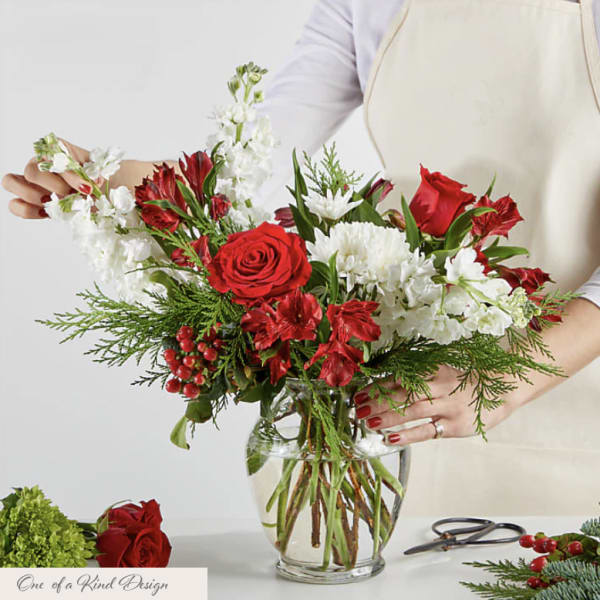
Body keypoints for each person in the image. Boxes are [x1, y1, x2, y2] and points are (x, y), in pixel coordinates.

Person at [3, 0, 600, 515]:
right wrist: (116, 183)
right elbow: (249, 168)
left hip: (575, 412)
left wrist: (512, 370)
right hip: (417, 413)